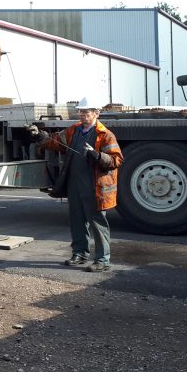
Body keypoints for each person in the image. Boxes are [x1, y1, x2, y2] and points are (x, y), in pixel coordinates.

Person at [28, 96, 123, 272]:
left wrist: (97, 155)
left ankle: (102, 260)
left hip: (95, 187)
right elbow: (55, 142)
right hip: (75, 184)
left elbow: (116, 160)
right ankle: (79, 253)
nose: (82, 115)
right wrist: (39, 135)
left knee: (97, 223)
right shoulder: (74, 130)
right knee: (77, 220)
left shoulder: (105, 135)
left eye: (86, 112)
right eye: (80, 112)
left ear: (96, 113)